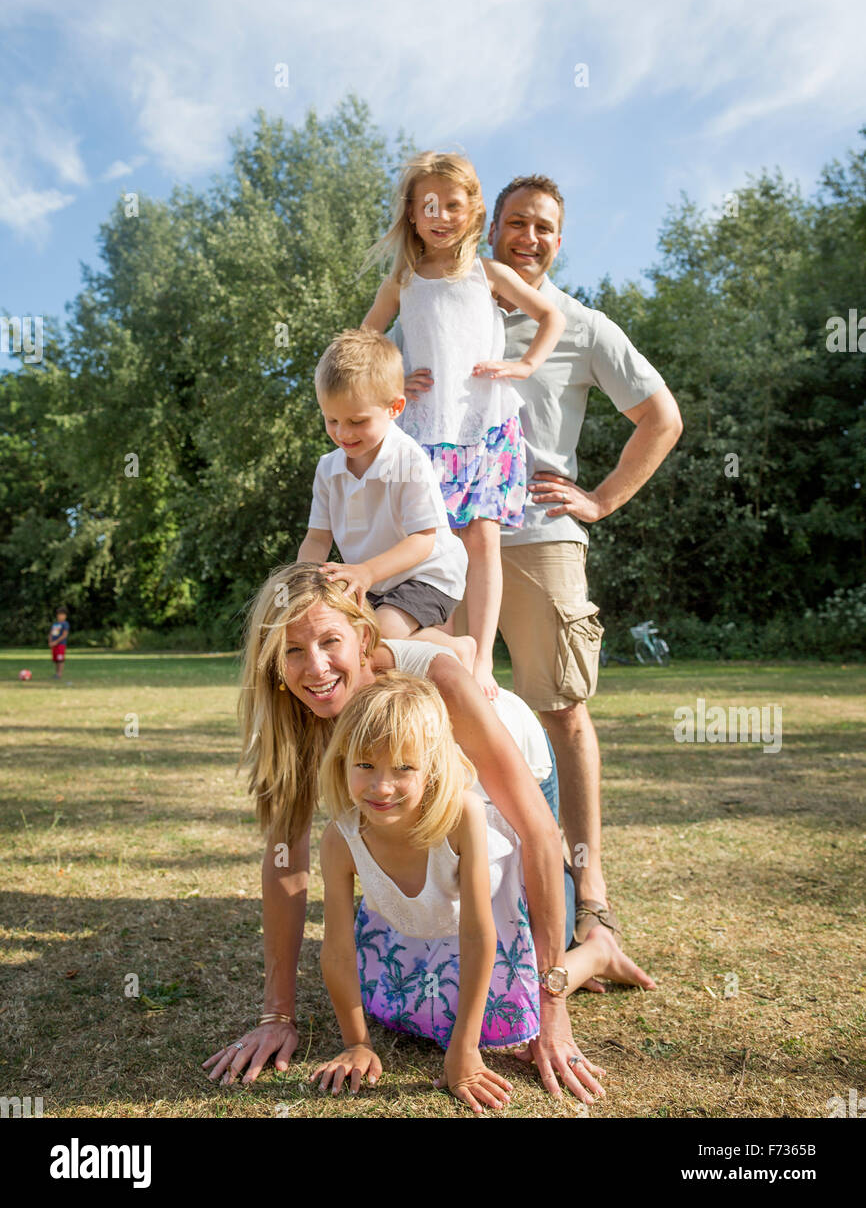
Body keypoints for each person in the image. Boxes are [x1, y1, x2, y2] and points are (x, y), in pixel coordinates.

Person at [202, 565, 651, 1101]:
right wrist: (278, 1013)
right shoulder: (290, 712)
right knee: (417, 975)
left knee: (501, 964)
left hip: (504, 792)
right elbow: (285, 860)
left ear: (364, 638)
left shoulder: (435, 680)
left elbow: (537, 831)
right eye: (292, 651)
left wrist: (550, 1005)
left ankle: (593, 949)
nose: (315, 667)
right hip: (416, 814)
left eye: (329, 641)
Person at [405, 175, 683, 952]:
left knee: (561, 712)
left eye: (545, 227)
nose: (529, 237)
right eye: (517, 222)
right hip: (435, 547)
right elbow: (370, 391)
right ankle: (456, 897)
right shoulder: (437, 299)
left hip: (537, 541)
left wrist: (598, 499)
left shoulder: (582, 327)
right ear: (490, 228)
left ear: (561, 241)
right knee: (443, 716)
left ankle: (590, 900)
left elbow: (662, 418)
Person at [312, 673, 627, 1113]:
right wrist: (356, 1043)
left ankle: (596, 952)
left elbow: (479, 935)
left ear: (433, 767)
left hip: (499, 918)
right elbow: (339, 950)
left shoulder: (464, 815)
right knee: (403, 1011)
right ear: (342, 761)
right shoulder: (339, 838)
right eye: (365, 765)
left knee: (515, 1005)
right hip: (422, 925)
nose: (381, 786)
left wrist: (464, 1049)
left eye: (404, 767)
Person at [362, 150, 565, 699]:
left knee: (482, 542)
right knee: (434, 550)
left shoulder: (489, 274)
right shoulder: (402, 282)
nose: (442, 215)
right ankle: (440, 655)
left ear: (473, 210)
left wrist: (524, 366)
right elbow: (363, 345)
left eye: (454, 204)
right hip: (426, 432)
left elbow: (553, 316)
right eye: (430, 204)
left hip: (488, 425)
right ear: (411, 212)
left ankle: (480, 663)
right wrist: (393, 386)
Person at [297, 328, 470, 664]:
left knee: (383, 632)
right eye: (331, 420)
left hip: (428, 572)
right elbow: (317, 539)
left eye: (357, 421)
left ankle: (458, 647)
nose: (343, 433)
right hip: (373, 579)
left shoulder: (407, 460)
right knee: (345, 637)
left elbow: (423, 540)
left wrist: (366, 572)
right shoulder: (328, 469)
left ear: (395, 407)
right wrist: (305, 586)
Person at [48, 607, 69, 680]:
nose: (60, 616)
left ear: (65, 616)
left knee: (60, 659)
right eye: (59, 614)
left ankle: (59, 674)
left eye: (62, 614)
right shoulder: (55, 624)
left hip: (60, 645)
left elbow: (64, 635)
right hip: (54, 645)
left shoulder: (65, 624)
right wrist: (50, 642)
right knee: (56, 660)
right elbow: (51, 634)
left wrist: (56, 642)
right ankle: (56, 674)